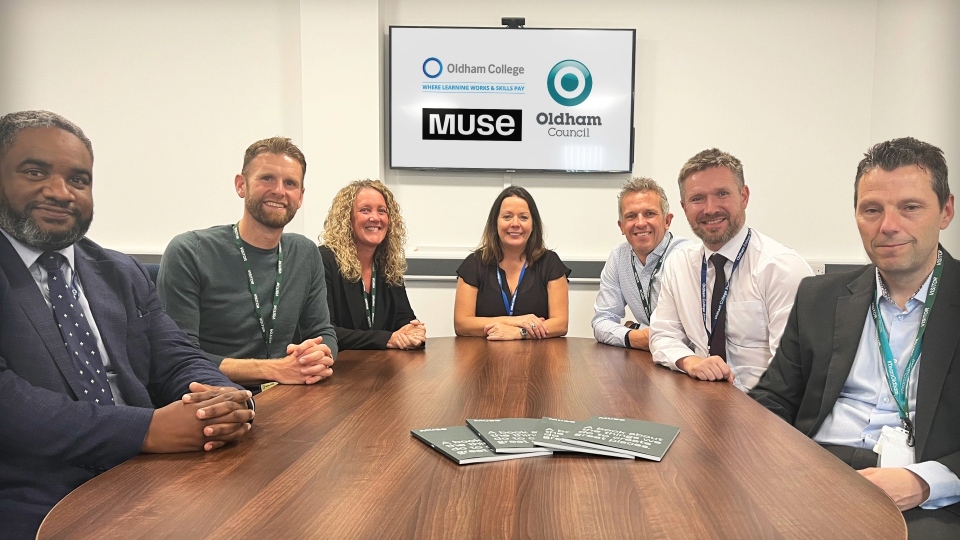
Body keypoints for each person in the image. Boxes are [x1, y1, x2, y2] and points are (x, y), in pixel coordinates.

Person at [0, 110, 255, 538]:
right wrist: (147, 430)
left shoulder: (121, 272)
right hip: (36, 493)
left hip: (150, 474)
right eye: (34, 171)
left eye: (79, 180)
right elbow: (9, 405)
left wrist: (222, 399)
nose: (61, 192)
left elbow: (176, 357)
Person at [750, 137, 960, 535]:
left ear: (945, 210)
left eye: (910, 207)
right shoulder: (820, 296)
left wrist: (923, 482)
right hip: (813, 469)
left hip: (926, 488)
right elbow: (774, 397)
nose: (888, 226)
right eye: (872, 210)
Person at [158, 137, 336, 392]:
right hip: (214, 398)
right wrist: (276, 369)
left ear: (300, 197)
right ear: (241, 185)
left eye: (290, 183)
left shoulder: (305, 253)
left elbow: (323, 331)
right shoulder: (190, 251)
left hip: (285, 395)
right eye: (267, 178)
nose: (279, 191)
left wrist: (318, 354)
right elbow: (178, 357)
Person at [649, 148, 812, 390]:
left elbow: (794, 370)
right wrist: (690, 361)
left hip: (763, 407)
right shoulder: (679, 264)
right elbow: (662, 335)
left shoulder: (780, 267)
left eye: (722, 194)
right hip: (701, 397)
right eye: (697, 199)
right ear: (684, 207)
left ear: (744, 196)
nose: (710, 208)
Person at [319, 179, 424, 350]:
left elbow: (405, 320)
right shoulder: (324, 260)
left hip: (382, 369)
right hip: (340, 368)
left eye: (381, 211)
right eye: (365, 210)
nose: (375, 218)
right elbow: (325, 331)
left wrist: (414, 331)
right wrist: (388, 339)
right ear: (347, 218)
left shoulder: (388, 264)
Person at [454, 186, 570, 340]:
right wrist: (517, 321)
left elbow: (560, 324)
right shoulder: (475, 263)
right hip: (484, 358)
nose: (515, 224)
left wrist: (519, 333)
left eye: (523, 217)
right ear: (495, 222)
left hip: (538, 358)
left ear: (533, 224)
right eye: (507, 216)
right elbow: (462, 324)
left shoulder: (550, 262)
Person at [592, 177, 688, 350]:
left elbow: (687, 333)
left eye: (649, 214)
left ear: (667, 221)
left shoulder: (685, 256)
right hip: (647, 360)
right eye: (631, 216)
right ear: (621, 226)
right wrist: (632, 336)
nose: (641, 223)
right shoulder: (618, 257)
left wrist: (637, 329)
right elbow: (601, 321)